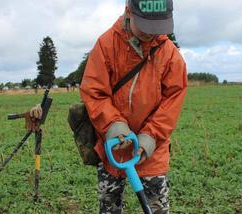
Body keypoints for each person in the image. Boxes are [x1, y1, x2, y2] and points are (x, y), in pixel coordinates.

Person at [80, 0, 187, 213]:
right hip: (113, 148)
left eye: (158, 27)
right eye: (146, 25)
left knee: (157, 208)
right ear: (129, 11)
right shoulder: (106, 45)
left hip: (152, 152)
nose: (152, 34)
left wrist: (152, 136)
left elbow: (172, 100)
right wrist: (113, 125)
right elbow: (94, 91)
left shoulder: (170, 54)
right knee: (109, 206)